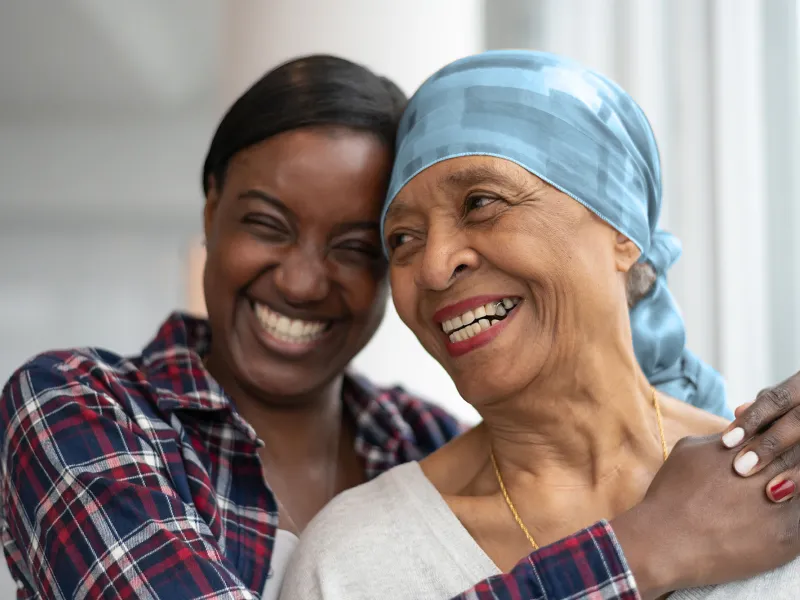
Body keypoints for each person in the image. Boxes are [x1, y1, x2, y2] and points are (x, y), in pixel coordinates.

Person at [0, 53, 799, 600]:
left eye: (360, 247)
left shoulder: (411, 433)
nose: (305, 279)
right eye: (267, 224)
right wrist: (646, 549)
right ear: (209, 209)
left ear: (623, 231)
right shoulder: (77, 405)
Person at [280, 50, 800, 600]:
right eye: (402, 239)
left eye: (481, 202)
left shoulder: (779, 486)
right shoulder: (350, 559)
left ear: (621, 231)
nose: (432, 267)